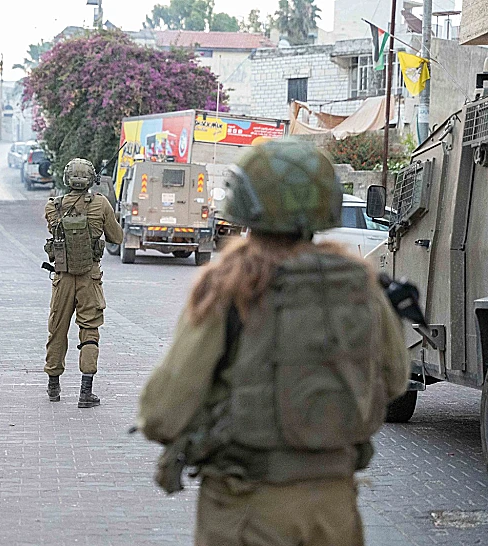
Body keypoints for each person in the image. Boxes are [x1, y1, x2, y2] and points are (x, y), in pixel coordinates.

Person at [137, 140, 411, 546]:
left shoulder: (229, 286)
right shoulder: (360, 284)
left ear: (244, 202)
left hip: (248, 508)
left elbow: (163, 411)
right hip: (334, 507)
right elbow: (395, 381)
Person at [44, 158, 123, 408]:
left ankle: (53, 386)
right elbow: (117, 238)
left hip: (62, 277)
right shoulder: (101, 204)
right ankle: (85, 392)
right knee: (89, 329)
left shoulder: (53, 207)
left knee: (57, 329)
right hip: (89, 277)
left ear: (67, 179)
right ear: (91, 179)